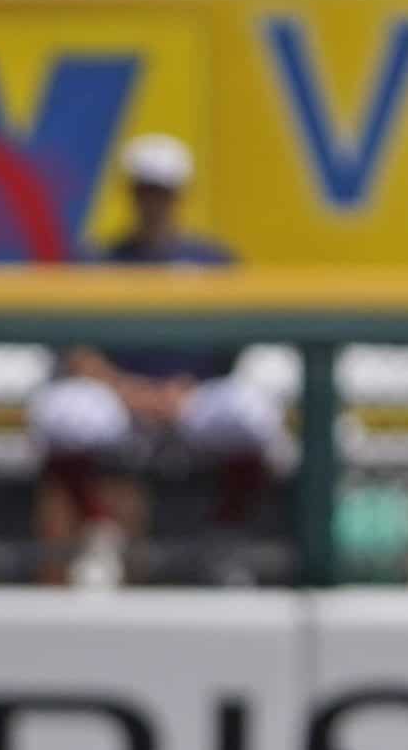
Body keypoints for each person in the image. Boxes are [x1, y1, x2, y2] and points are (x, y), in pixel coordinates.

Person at [27, 133, 283, 588]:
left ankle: (225, 539)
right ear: (130, 192)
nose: (154, 201)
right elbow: (76, 352)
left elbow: (235, 349)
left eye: (163, 191)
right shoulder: (100, 260)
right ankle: (100, 533)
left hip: (190, 399)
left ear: (181, 196)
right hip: (122, 400)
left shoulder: (211, 261)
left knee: (252, 412)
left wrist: (181, 392)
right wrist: (130, 392)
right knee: (60, 413)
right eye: (146, 189)